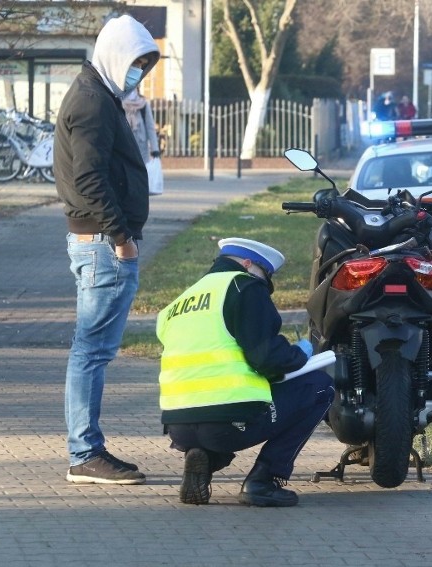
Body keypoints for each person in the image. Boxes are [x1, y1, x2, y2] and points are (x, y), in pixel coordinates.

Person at [53, 14, 160, 485]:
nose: (139, 74)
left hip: (102, 242)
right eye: (136, 63)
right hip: (103, 244)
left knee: (92, 350)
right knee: (91, 352)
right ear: (116, 55)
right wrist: (121, 239)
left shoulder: (101, 95)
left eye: (145, 65)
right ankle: (85, 453)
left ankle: (87, 450)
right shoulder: (93, 101)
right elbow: (89, 178)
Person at [156, 238, 334, 507]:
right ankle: (263, 480)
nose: (265, 285)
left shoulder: (177, 304)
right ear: (249, 264)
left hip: (178, 427)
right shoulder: (244, 287)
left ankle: (206, 458)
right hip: (228, 423)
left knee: (220, 417)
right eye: (266, 276)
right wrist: (300, 354)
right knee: (320, 386)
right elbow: (267, 359)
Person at [122, 88, 161, 163]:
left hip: (141, 147)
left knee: (142, 171)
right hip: (124, 146)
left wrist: (155, 149)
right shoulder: (119, 102)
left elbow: (150, 128)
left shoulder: (143, 104)